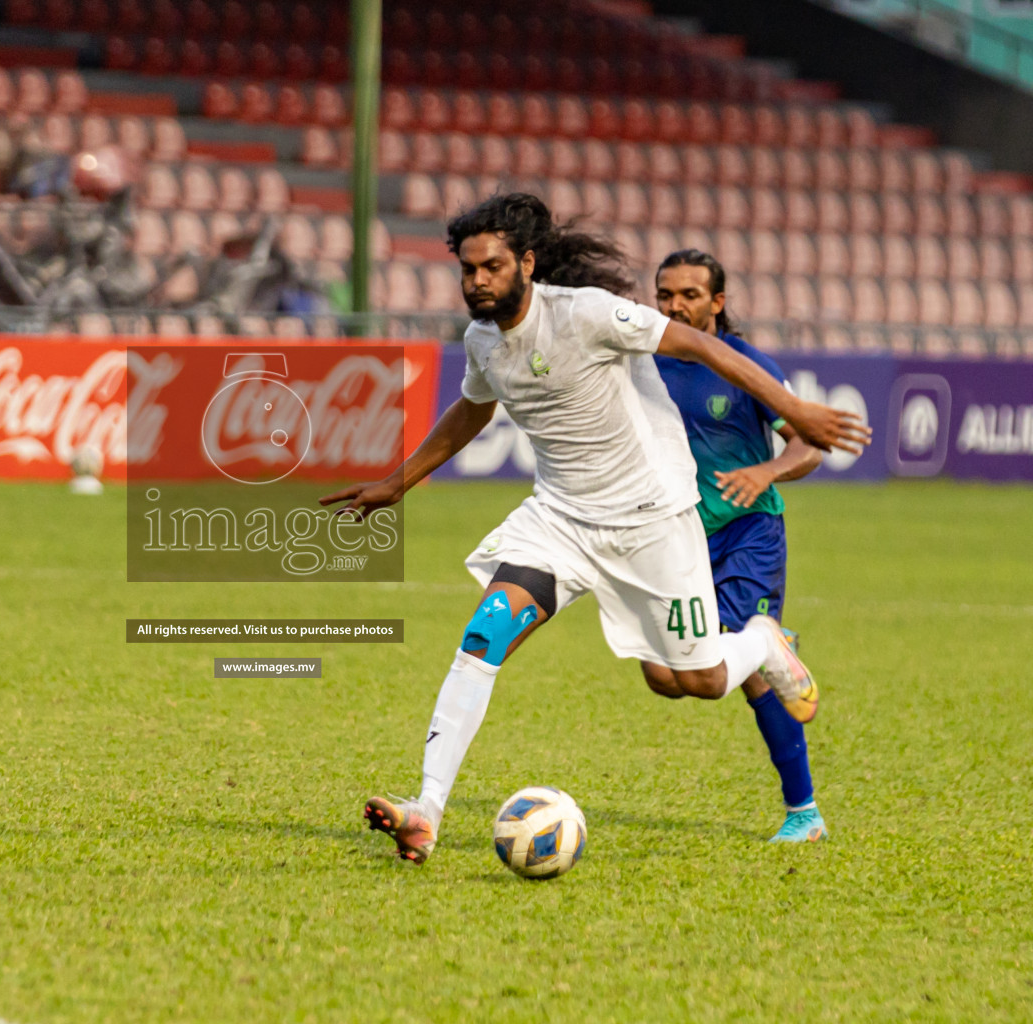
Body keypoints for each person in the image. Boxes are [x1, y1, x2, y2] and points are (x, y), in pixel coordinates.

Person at [319, 194, 869, 865]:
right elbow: (470, 410)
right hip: (560, 520)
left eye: (491, 267)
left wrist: (795, 411)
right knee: (483, 635)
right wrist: (397, 482)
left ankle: (764, 642)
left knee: (693, 681)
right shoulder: (482, 341)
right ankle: (426, 811)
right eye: (468, 271)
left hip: (652, 522)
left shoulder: (583, 313)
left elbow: (697, 343)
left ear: (525, 263)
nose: (477, 282)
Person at [649, 249, 827, 842]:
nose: (675, 306)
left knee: (740, 671)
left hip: (749, 534)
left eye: (690, 295)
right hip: (678, 539)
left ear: (717, 302)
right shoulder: (643, 364)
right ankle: (767, 643)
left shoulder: (747, 366)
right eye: (665, 295)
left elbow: (809, 444)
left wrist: (767, 473)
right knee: (664, 677)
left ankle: (804, 813)